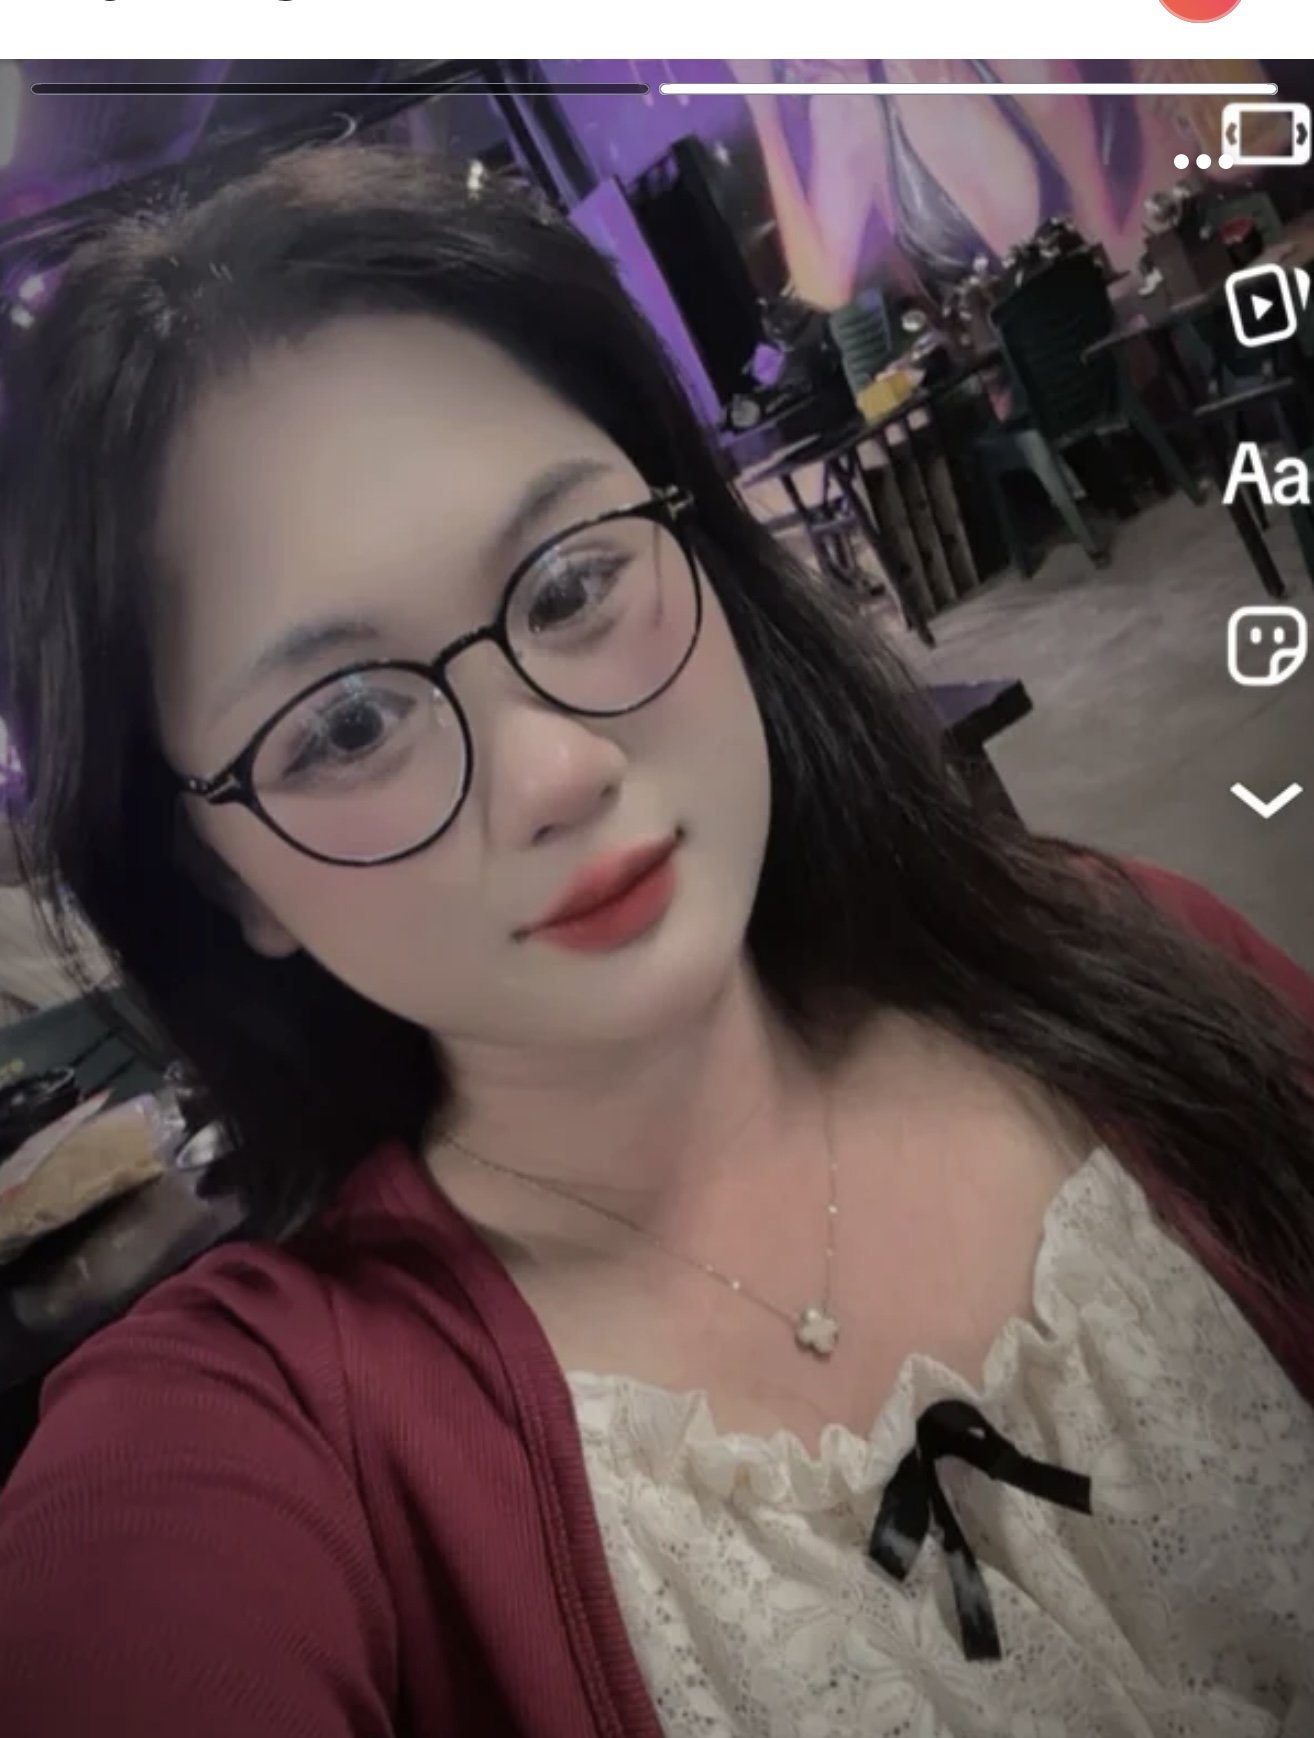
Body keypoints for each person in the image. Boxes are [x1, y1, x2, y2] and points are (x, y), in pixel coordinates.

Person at [0, 147, 1311, 1737]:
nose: (555, 770)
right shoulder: (256, 1430)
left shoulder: (1119, 945)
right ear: (226, 883)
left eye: (571, 583)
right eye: (345, 724)